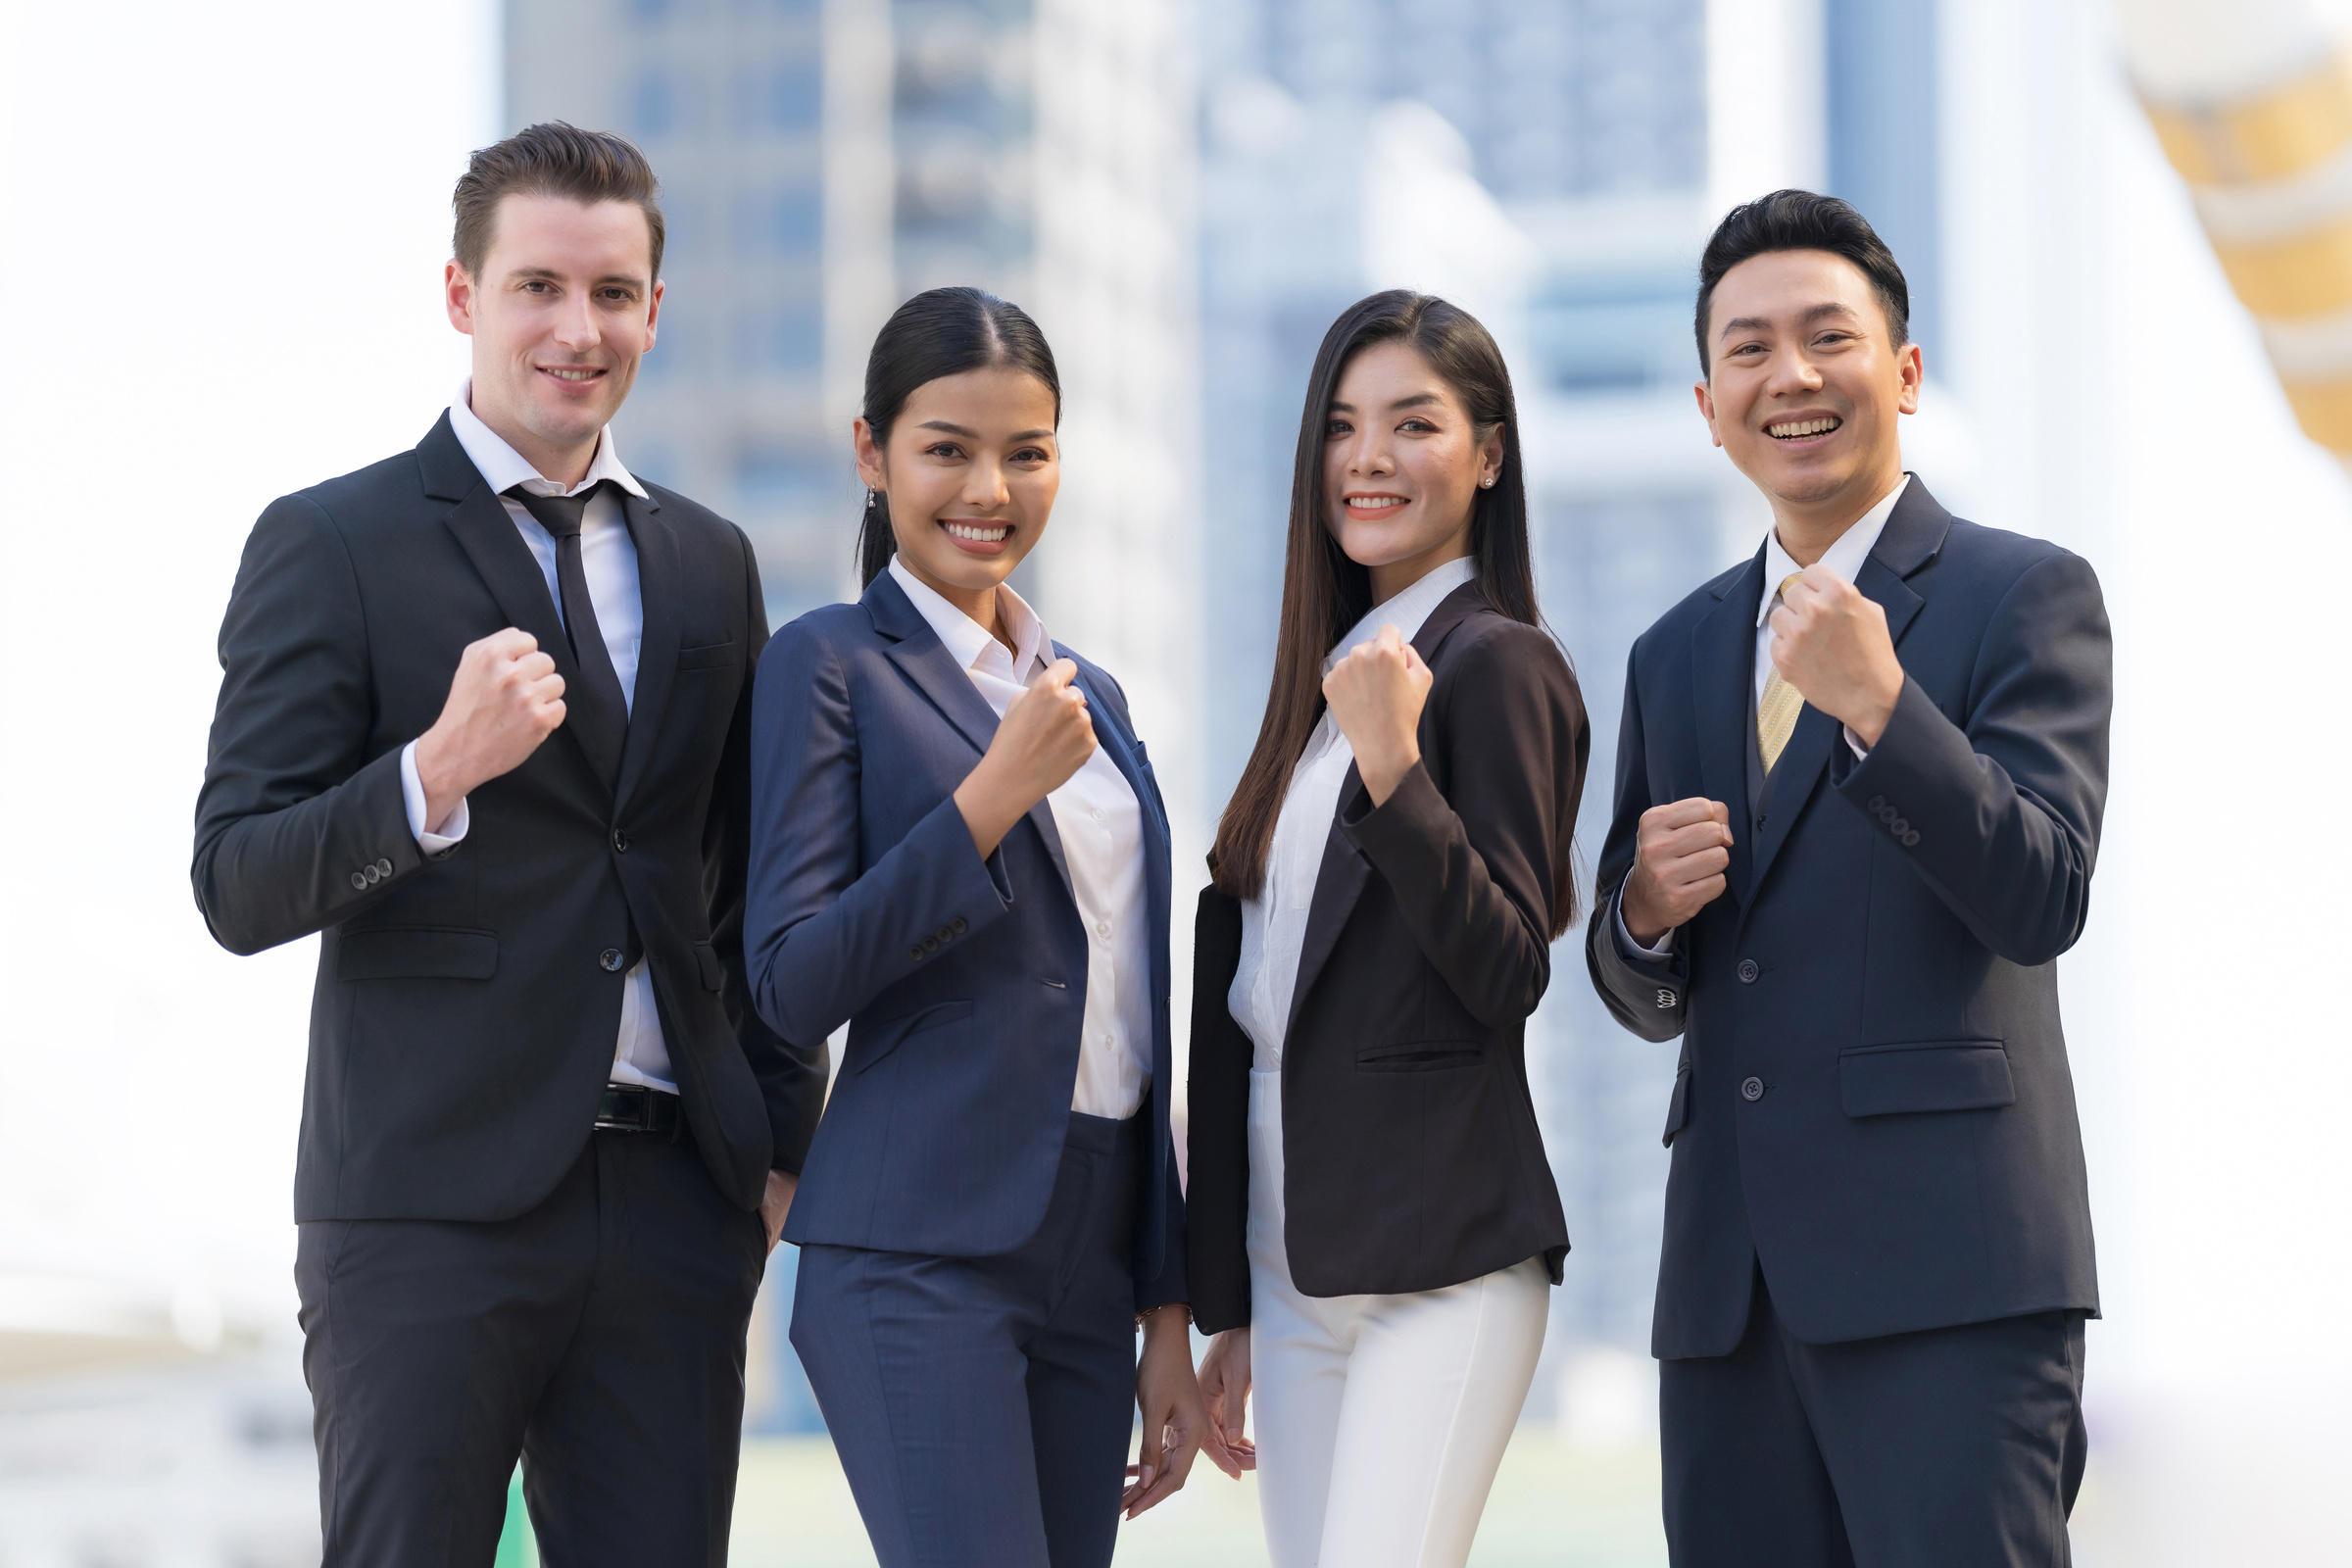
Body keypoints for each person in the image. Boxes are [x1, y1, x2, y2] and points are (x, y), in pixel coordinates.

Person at [190, 122, 822, 1563]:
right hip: (425, 1207)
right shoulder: (332, 543)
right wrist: (432, 771)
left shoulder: (708, 561)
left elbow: (748, 879)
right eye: (538, 285)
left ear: (655, 311)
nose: (576, 329)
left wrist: (777, 1137)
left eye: (611, 295)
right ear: (464, 296)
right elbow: (235, 878)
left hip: (673, 1208)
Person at [1586, 190, 2109, 1565]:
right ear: (1709, 403)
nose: (1792, 377)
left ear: (1907, 373)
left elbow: (2044, 891)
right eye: (1749, 350)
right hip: (1730, 1299)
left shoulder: (2023, 595)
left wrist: (1887, 712)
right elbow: (1644, 984)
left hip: (1952, 1283)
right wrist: (1640, 914)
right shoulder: (1675, 650)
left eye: (1829, 337)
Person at [744, 286, 1211, 1568]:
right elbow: (788, 983)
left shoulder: (1092, 698)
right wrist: (989, 800)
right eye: (946, 447)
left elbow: (1134, 1012)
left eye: (1027, 449)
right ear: (870, 453)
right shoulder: (828, 665)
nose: (988, 487)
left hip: (1090, 1257)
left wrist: (1166, 1302)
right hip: (912, 1257)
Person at [1186, 290, 1589, 1568]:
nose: (1369, 458)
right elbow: (1256, 1015)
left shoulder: (1495, 664)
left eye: (1414, 424)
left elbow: (1509, 964)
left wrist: (1395, 776)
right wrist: (1229, 1301)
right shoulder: (1325, 694)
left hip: (1444, 1270)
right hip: (1292, 1276)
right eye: (1343, 427)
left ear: (1487, 452)